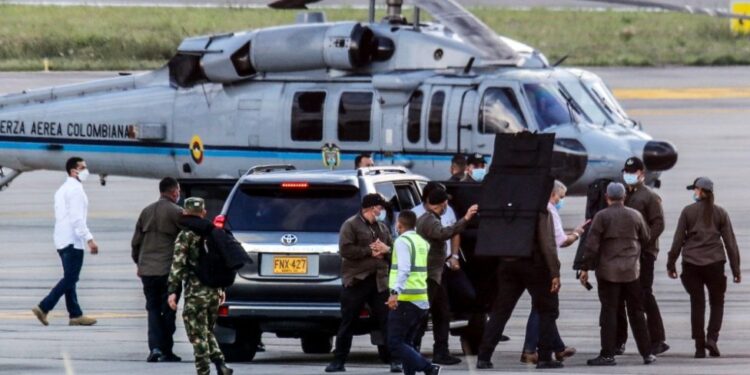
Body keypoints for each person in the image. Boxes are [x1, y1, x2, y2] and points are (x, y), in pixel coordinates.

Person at [579, 183, 656, 366]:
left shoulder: (601, 216)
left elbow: (591, 246)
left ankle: (607, 354)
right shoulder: (635, 215)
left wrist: (585, 268)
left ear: (607, 197)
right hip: (631, 272)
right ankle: (647, 353)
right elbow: (646, 238)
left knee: (609, 313)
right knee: (636, 312)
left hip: (608, 272)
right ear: (624, 197)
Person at [667, 177, 741, 358]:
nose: (694, 192)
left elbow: (677, 241)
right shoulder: (720, 213)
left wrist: (671, 263)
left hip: (691, 264)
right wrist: (735, 269)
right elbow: (730, 242)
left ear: (700, 191)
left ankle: (699, 346)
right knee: (717, 303)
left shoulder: (687, 212)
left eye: (695, 190)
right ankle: (712, 338)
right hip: (715, 264)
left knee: (697, 303)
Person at [326, 193, 399, 373]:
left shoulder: (382, 227)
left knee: (388, 321)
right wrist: (369, 251)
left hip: (380, 281)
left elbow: (393, 251)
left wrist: (386, 250)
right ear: (369, 208)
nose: (381, 211)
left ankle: (395, 360)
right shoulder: (351, 225)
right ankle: (339, 361)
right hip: (357, 280)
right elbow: (345, 250)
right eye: (379, 207)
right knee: (348, 322)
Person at [167, 197, 233, 375]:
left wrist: (173, 291)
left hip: (196, 291)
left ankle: (203, 371)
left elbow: (178, 264)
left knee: (197, 335)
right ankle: (220, 363)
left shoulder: (186, 235)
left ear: (185, 213)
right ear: (203, 213)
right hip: (214, 291)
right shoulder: (213, 233)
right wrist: (221, 289)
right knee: (207, 330)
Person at [32, 157, 99, 327]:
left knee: (70, 278)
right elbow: (77, 219)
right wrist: (89, 239)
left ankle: (75, 315)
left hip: (61, 239)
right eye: (82, 167)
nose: (86, 170)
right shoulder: (75, 190)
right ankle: (44, 307)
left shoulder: (61, 190)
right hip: (73, 240)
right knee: (71, 278)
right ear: (73, 171)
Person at [520, 181, 582, 364]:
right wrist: (577, 234)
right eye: (560, 197)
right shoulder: (549, 210)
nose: (560, 201)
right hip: (543, 266)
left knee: (542, 308)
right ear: (551, 195)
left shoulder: (533, 207)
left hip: (526, 263)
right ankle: (531, 350)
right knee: (543, 309)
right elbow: (560, 241)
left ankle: (558, 348)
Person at [416, 189, 477, 365]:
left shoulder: (431, 218)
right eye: (445, 203)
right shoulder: (429, 220)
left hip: (438, 273)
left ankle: (441, 351)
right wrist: (465, 219)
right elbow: (443, 233)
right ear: (442, 204)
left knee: (441, 313)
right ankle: (413, 350)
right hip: (429, 276)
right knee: (422, 314)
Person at [617, 157, 669, 356]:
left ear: (642, 173)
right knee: (625, 297)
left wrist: (643, 243)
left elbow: (659, 224)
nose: (629, 175)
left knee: (645, 294)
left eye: (633, 171)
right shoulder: (626, 194)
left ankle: (658, 339)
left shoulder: (649, 196)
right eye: (627, 171)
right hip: (627, 254)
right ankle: (620, 340)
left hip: (645, 254)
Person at [131, 177, 184, 363]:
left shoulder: (146, 211)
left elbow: (135, 243)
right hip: (168, 271)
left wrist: (139, 264)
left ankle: (155, 348)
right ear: (174, 191)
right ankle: (166, 349)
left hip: (147, 271)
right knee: (168, 311)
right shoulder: (177, 212)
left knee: (152, 310)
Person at [387, 210, 441, 375]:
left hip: (406, 299)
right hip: (420, 298)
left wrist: (395, 293)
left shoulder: (402, 241)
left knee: (395, 342)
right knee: (407, 342)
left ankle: (429, 368)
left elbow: (404, 269)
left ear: (399, 224)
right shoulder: (421, 241)